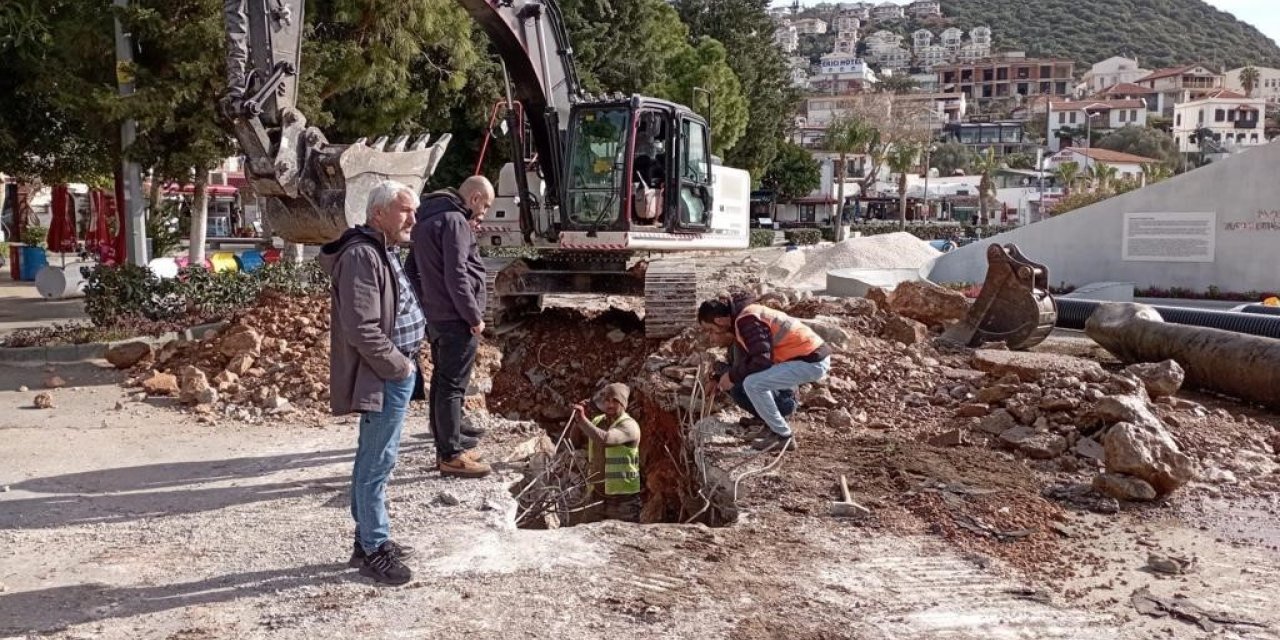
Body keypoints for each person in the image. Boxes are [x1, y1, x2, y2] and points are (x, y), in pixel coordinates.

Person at [317, 179, 424, 586]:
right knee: (377, 462)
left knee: (374, 457)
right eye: (405, 211)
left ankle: (367, 540)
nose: (413, 219)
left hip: (393, 371)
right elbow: (362, 328)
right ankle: (375, 548)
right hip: (384, 374)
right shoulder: (362, 255)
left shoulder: (382, 248)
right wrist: (400, 367)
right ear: (378, 214)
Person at [406, 175, 495, 478]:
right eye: (485, 205)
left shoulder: (425, 221)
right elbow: (456, 274)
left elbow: (411, 270)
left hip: (437, 316)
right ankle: (451, 455)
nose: (484, 213)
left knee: (443, 383)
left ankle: (448, 444)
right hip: (457, 319)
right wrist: (473, 316)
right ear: (474, 198)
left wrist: (427, 305)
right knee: (453, 386)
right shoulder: (455, 221)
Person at [697, 292, 831, 451]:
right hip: (808, 358)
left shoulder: (746, 320)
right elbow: (748, 360)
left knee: (752, 384)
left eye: (710, 329)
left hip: (811, 361)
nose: (711, 335)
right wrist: (721, 376)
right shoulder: (745, 317)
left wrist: (731, 376)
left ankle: (783, 436)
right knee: (749, 382)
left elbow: (761, 359)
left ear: (719, 320)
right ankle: (772, 427)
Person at [571, 383, 643, 523]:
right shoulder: (598, 421)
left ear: (623, 404)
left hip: (623, 502)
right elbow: (575, 442)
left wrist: (583, 420)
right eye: (607, 400)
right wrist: (578, 420)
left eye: (615, 401)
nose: (610, 405)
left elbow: (606, 440)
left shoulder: (629, 426)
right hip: (597, 497)